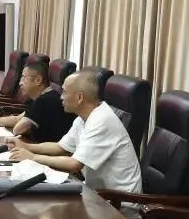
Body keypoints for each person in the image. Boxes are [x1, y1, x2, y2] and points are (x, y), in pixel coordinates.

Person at [8, 69, 142, 193]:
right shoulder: (83, 118)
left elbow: (74, 164)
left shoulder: (101, 120)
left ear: (79, 97)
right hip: (97, 194)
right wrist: (26, 146)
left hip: (118, 202)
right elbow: (61, 148)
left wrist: (32, 157)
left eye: (64, 92)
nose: (61, 97)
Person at [0, 58, 74, 143]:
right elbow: (17, 119)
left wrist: (28, 127)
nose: (20, 83)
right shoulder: (46, 96)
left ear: (38, 80)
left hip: (52, 152)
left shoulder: (44, 100)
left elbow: (17, 129)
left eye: (23, 78)